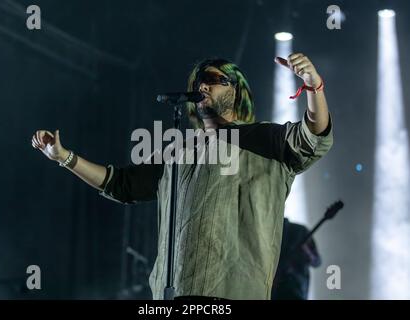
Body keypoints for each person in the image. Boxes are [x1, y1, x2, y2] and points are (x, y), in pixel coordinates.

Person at [31, 54, 333, 300]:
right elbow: (120, 184)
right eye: (200, 80)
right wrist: (65, 158)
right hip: (172, 293)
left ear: (237, 91)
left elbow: (313, 137)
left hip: (234, 294)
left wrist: (314, 86)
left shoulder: (263, 138)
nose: (203, 85)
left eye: (215, 80)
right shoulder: (178, 152)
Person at [271, 218, 322, 300]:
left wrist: (307, 251)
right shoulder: (271, 231)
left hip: (296, 286)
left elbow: (317, 261)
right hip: (276, 287)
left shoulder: (300, 230)